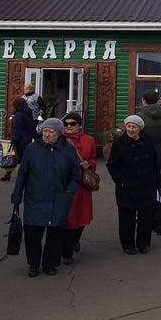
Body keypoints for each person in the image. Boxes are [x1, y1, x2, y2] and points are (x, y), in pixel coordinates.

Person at [10, 118, 80, 277]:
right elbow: (22, 175)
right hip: (35, 198)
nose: (46, 135)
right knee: (33, 234)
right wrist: (16, 196)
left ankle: (50, 264)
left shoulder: (68, 150)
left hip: (59, 199)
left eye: (51, 132)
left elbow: (75, 175)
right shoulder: (32, 149)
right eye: (45, 131)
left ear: (59, 134)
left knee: (55, 234)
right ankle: (33, 264)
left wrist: (69, 191)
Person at [106, 115, 161, 255]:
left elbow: (155, 162)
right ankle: (128, 245)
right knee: (126, 217)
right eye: (128, 126)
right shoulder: (119, 143)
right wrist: (121, 181)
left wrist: (157, 181)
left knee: (146, 216)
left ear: (140, 129)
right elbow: (112, 165)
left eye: (133, 127)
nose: (130, 129)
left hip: (146, 184)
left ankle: (143, 243)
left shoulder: (148, 141)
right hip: (127, 186)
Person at [61, 112, 97, 265]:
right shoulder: (60, 139)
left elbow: (93, 157)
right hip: (67, 184)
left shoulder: (89, 140)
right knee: (69, 219)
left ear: (79, 125)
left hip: (83, 184)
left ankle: (76, 239)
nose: (68, 126)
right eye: (66, 123)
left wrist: (89, 164)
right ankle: (66, 252)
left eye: (72, 123)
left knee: (82, 217)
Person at [137, 89, 161, 171]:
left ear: (144, 101)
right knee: (156, 174)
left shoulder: (139, 117)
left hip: (142, 152)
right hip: (160, 152)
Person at [1, 97, 33, 182]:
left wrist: (13, 140)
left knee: (11, 157)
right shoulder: (29, 114)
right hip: (27, 139)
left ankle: (14, 175)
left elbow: (16, 129)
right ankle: (9, 175)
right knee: (22, 158)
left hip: (19, 140)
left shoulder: (18, 116)